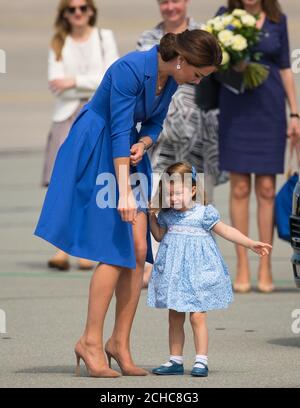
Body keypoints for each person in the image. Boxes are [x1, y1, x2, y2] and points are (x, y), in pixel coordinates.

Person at [34, 30, 222, 378]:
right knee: (115, 247)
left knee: (138, 249)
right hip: (98, 147)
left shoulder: (172, 78)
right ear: (182, 60)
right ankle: (90, 341)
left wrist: (147, 141)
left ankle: (118, 342)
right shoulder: (130, 69)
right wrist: (123, 191)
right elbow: (119, 129)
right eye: (198, 74)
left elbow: (153, 121)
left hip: (128, 154)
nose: (197, 81)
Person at [147, 162, 272, 376]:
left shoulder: (203, 213)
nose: (174, 198)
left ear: (193, 189)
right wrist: (150, 216)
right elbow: (159, 236)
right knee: (174, 316)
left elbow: (226, 231)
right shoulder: (167, 215)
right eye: (170, 194)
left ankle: (201, 360)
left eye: (178, 193)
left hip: (198, 273)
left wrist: (250, 243)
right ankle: (175, 360)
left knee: (197, 317)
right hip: (175, 274)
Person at [137, 0, 226, 287]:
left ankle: (198, 267)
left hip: (199, 133)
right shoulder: (149, 40)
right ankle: (159, 267)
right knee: (162, 200)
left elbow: (217, 83)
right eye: (164, 1)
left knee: (198, 204)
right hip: (162, 137)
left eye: (175, 0)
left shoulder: (206, 34)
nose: (170, 7)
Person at [217, 0, 300, 293]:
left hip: (270, 109)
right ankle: (242, 264)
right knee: (239, 188)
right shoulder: (224, 16)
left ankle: (264, 265)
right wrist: (232, 63)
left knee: (266, 189)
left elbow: (285, 68)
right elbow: (214, 62)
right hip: (236, 108)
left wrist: (294, 113)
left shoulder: (278, 19)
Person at [43, 0, 118, 271]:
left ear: (91, 11)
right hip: (66, 116)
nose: (78, 13)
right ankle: (61, 248)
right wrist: (87, 82)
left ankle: (85, 248)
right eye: (71, 9)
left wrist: (74, 81)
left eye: (82, 8)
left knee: (93, 181)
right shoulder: (58, 42)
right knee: (64, 181)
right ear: (64, 14)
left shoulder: (104, 37)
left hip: (98, 113)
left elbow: (111, 76)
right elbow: (55, 84)